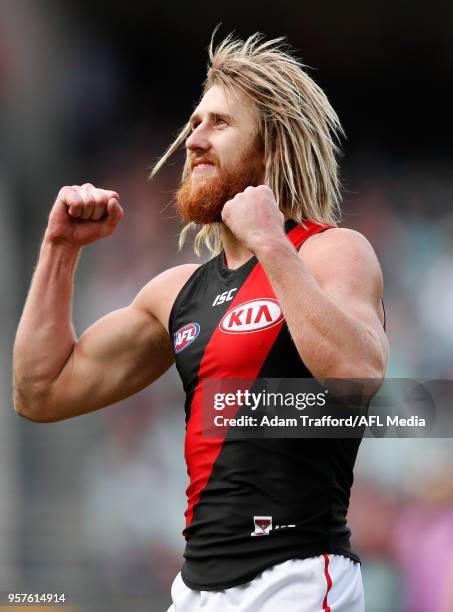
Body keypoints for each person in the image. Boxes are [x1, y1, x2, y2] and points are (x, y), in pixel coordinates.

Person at [13, 33, 388, 612]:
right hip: (196, 592)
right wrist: (60, 248)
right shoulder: (177, 293)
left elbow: (357, 377)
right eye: (193, 122)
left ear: (269, 148)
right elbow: (41, 391)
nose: (193, 140)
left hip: (298, 580)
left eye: (218, 123)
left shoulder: (331, 252)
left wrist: (270, 242)